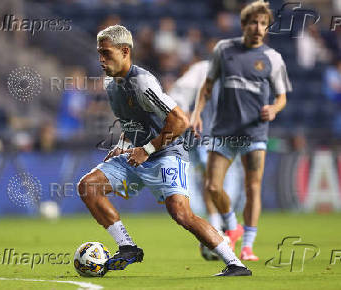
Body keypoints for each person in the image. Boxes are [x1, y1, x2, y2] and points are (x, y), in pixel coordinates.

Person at [78, 24, 251, 276]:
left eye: (106, 53)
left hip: (167, 152)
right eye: (99, 53)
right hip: (138, 153)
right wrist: (122, 146)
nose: (101, 59)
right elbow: (133, 124)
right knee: (88, 186)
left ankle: (235, 263)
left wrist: (147, 149)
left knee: (181, 213)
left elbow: (180, 121)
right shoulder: (111, 85)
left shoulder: (142, 82)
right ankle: (128, 247)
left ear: (125, 51)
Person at [191, 0, 291, 261]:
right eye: (254, 23)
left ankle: (247, 246)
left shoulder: (273, 58)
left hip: (254, 134)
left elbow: (282, 97)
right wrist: (196, 114)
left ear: (267, 28)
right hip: (223, 132)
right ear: (244, 24)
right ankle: (231, 225)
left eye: (263, 24)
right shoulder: (224, 50)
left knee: (253, 188)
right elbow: (207, 85)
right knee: (213, 187)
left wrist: (275, 109)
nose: (258, 28)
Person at [168, 58, 245, 235]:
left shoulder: (201, 69)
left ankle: (221, 221)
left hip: (205, 135)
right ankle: (221, 222)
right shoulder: (211, 71)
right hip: (205, 135)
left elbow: (178, 95)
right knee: (210, 180)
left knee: (210, 180)